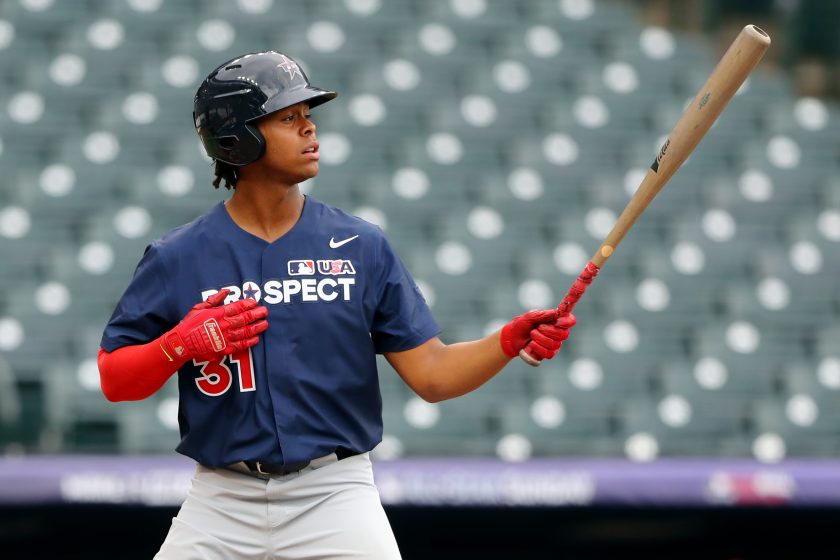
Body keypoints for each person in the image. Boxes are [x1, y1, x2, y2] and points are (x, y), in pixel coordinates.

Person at [97, 51, 576, 560]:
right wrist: (178, 345)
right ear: (238, 137)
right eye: (288, 118)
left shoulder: (360, 245)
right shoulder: (178, 257)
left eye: (308, 116)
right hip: (220, 500)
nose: (310, 129)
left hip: (334, 494)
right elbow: (115, 379)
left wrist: (506, 341)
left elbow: (432, 376)